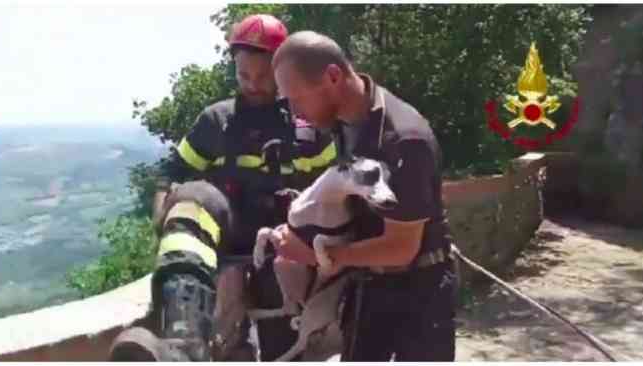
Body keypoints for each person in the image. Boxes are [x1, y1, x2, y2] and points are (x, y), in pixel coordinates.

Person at [153, 17, 336, 361]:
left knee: (286, 346)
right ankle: (182, 338)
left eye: (263, 76)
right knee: (193, 199)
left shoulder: (308, 127)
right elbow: (171, 173)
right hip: (227, 248)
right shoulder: (215, 122)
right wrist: (164, 220)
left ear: (282, 70)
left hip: (286, 253)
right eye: (243, 75)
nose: (253, 84)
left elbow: (334, 189)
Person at [271, 30, 458, 361]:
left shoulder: (403, 138)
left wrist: (319, 256)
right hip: (369, 284)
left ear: (332, 76)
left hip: (421, 293)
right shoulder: (345, 123)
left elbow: (401, 248)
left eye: (297, 98)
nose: (296, 113)